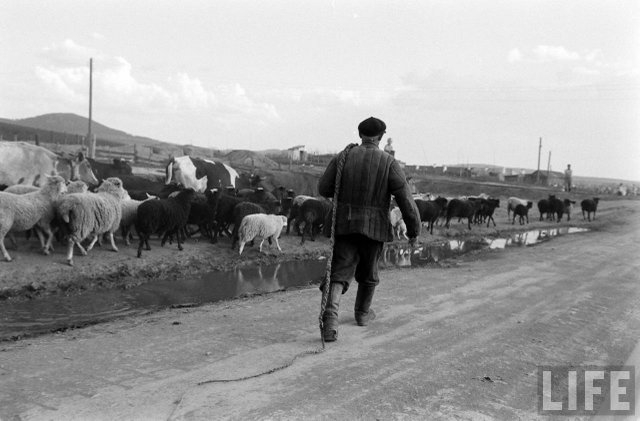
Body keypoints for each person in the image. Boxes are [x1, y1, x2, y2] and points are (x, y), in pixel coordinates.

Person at [317, 117, 421, 342]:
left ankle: (330, 322)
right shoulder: (389, 162)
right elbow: (405, 199)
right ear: (381, 137)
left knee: (339, 272)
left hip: (345, 224)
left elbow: (323, 188)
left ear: (359, 134)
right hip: (375, 227)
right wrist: (413, 230)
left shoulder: (343, 157)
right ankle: (362, 314)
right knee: (369, 273)